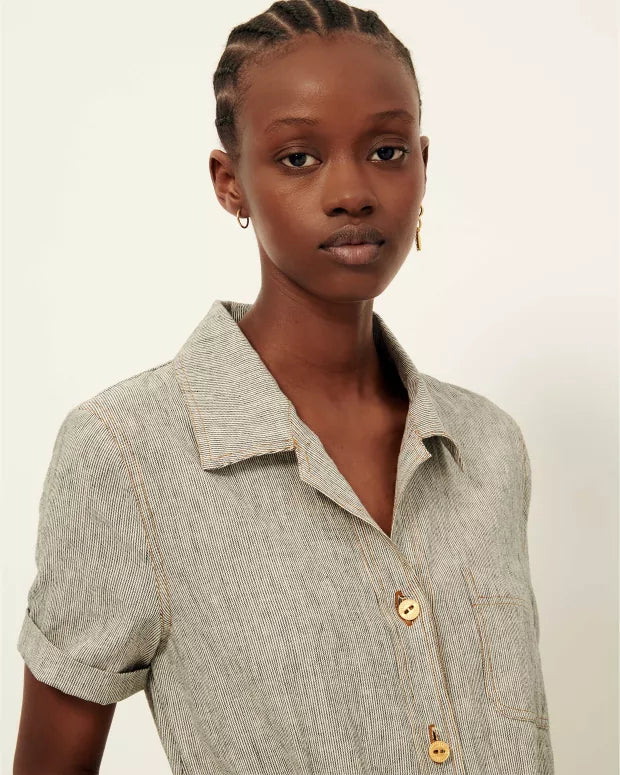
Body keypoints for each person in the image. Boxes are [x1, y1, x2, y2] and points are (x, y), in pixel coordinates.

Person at [13, 1, 555, 773]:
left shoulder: (488, 447)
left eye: (388, 150)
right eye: (299, 157)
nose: (353, 191)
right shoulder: (129, 455)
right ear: (229, 183)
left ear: (423, 164)